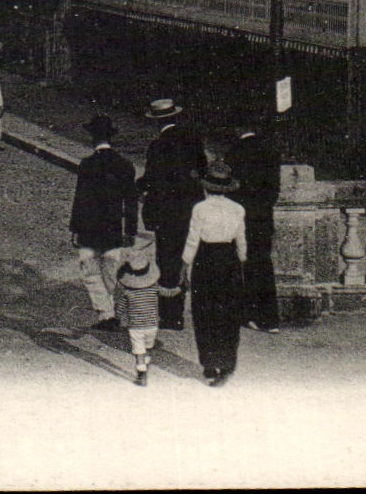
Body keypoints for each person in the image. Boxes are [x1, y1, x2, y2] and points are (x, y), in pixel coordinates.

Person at [70, 114, 138, 330]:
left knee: (90, 271)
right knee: (110, 270)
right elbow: (131, 200)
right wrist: (131, 230)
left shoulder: (87, 164)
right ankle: (109, 313)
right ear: (112, 138)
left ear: (92, 138)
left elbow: (80, 198)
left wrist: (75, 228)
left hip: (90, 227)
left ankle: (106, 314)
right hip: (114, 227)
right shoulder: (125, 165)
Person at [139, 98, 202, 330]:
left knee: (168, 261)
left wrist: (139, 188)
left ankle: (171, 316)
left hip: (167, 214)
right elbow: (201, 172)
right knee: (188, 257)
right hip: (192, 211)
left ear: (157, 122)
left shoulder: (158, 146)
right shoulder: (193, 142)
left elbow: (152, 179)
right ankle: (185, 306)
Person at [184, 160, 247, 387]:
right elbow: (241, 240)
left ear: (206, 187)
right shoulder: (238, 209)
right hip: (229, 259)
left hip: (206, 259)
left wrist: (185, 266)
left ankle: (209, 363)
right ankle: (228, 362)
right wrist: (241, 263)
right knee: (228, 312)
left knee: (204, 311)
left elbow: (193, 239)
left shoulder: (200, 208)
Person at [229, 128, 281, 333]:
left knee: (244, 266)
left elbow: (231, 190)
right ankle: (270, 319)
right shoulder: (270, 151)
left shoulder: (235, 152)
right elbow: (273, 191)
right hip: (263, 218)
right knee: (264, 265)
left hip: (242, 218)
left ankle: (249, 314)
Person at [117, 233, 161, 386]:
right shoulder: (154, 288)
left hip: (136, 326)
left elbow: (121, 308)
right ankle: (146, 362)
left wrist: (119, 317)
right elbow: (165, 294)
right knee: (148, 346)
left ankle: (141, 373)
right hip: (152, 324)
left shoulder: (127, 292)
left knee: (138, 350)